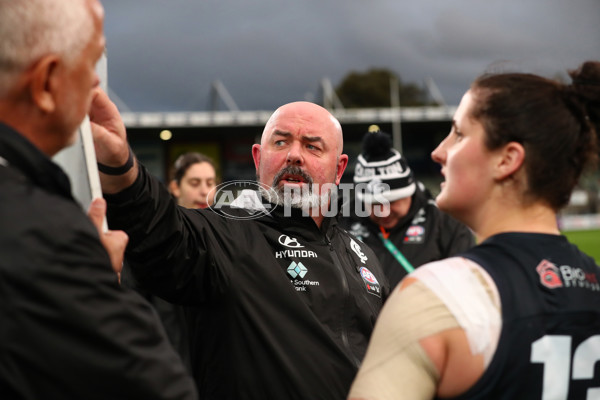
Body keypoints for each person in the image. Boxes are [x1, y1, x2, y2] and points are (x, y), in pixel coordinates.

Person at [90, 95, 391, 399]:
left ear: (339, 170)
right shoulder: (224, 234)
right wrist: (121, 170)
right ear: (259, 158)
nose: (294, 156)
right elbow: (161, 230)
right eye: (281, 143)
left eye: (312, 146)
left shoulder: (363, 256)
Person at [348, 60, 600, 400]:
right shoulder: (592, 282)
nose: (439, 152)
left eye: (459, 133)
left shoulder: (433, 297)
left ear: (506, 160)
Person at [0, 0, 197, 398]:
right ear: (45, 84)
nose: (96, 84)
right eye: (89, 64)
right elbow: (156, 386)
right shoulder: (44, 234)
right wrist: (96, 279)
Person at [341, 126, 475, 287]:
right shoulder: (341, 223)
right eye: (375, 204)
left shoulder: (444, 222)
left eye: (392, 202)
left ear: (409, 193)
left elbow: (467, 284)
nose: (383, 212)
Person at [123, 151, 219, 372]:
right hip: (167, 367)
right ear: (175, 187)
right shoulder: (153, 238)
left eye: (210, 182)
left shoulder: (226, 238)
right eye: (195, 183)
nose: (204, 190)